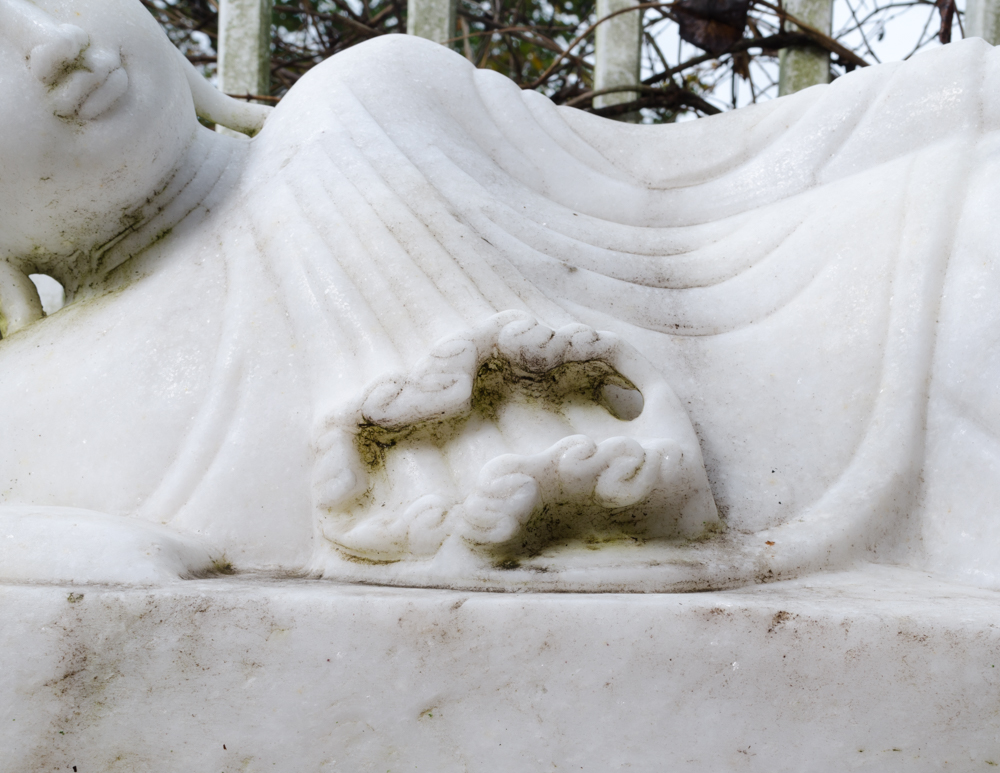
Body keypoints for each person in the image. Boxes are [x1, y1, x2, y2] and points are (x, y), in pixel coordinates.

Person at [0, 0, 997, 591]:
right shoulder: (44, 404)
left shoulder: (365, 90)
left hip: (820, 333)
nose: (53, 42)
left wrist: (944, 99)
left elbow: (694, 181)